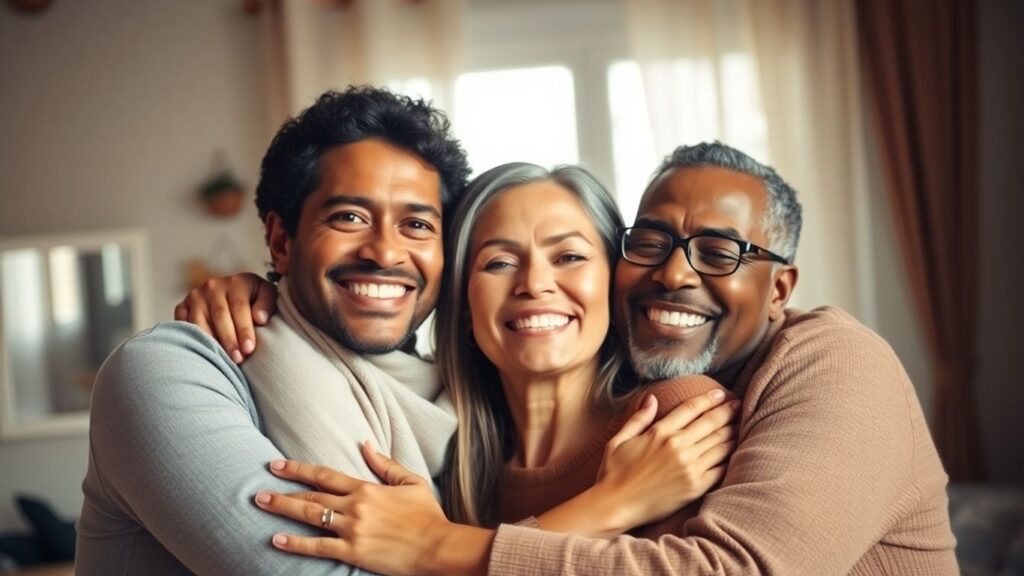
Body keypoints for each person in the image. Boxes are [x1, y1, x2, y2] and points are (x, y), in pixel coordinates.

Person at [196, 142, 958, 574]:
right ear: (461, 295)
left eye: (569, 255)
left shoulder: (696, 411)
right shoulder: (450, 447)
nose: (675, 274)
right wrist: (266, 289)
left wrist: (432, 546)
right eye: (497, 262)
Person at [77, 87, 733, 576]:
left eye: (418, 225)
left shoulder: (459, 414)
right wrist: (607, 507)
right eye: (350, 217)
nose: (386, 253)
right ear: (281, 239)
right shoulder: (168, 372)